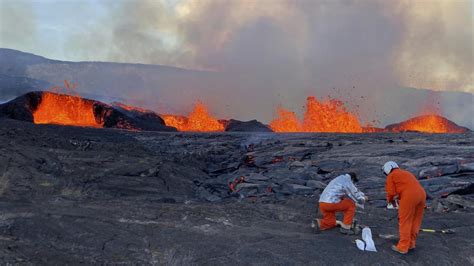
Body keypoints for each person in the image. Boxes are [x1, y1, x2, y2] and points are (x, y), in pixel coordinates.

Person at [383, 161, 426, 255]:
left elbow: (391, 193)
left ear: (387, 169)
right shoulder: (406, 172)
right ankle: (411, 243)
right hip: (422, 195)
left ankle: (402, 247)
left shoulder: (391, 175)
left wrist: (391, 202)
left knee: (405, 221)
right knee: (416, 220)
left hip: (409, 196)